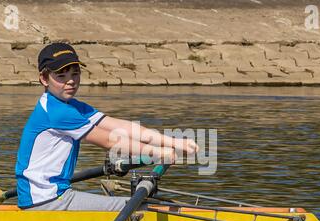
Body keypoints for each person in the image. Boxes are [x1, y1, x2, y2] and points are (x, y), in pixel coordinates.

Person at [15, 43, 198, 211]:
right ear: (44, 79)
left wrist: (173, 142)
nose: (70, 81)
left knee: (145, 204)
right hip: (47, 201)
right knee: (143, 208)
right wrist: (157, 153)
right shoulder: (57, 112)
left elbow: (120, 127)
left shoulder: (71, 105)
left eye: (75, 74)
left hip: (48, 196)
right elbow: (111, 141)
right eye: (61, 76)